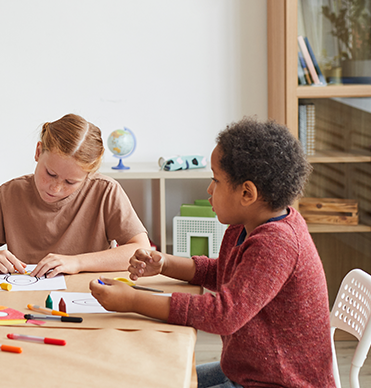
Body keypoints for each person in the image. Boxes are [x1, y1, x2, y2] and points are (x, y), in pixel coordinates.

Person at [89, 117, 334, 388]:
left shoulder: (277, 244)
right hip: (248, 370)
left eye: (215, 180)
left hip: (280, 382)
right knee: (164, 377)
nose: (209, 189)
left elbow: (224, 314)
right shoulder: (245, 225)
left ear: (247, 193)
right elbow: (225, 272)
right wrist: (166, 264)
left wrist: (133, 301)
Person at [0, 113, 150, 276]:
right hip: (24, 293)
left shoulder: (106, 191)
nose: (56, 188)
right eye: (51, 174)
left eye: (70, 182)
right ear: (38, 152)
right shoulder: (12, 193)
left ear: (88, 176)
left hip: (87, 294)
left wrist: (78, 262)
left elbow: (141, 250)